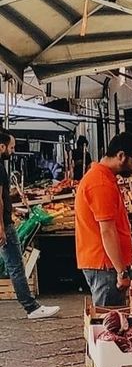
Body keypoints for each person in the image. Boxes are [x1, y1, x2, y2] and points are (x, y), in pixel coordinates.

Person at [75, 131, 132, 307]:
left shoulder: (104, 178)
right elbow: (107, 231)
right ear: (121, 156)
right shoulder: (100, 183)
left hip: (105, 264)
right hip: (105, 265)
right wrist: (121, 271)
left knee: (111, 322)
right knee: (108, 324)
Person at [0, 129, 59, 320]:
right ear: (2, 147)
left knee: (14, 265)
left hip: (6, 219)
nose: (13, 151)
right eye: (11, 147)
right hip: (4, 225)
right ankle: (31, 307)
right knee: (16, 266)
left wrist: (12, 208)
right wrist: (1, 226)